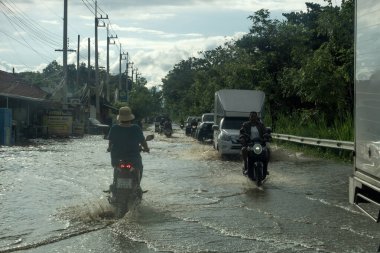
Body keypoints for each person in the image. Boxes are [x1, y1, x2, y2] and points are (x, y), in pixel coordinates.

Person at [107, 106, 150, 181]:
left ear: (120, 118)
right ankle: (137, 185)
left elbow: (110, 142)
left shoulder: (114, 128)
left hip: (117, 158)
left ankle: (115, 183)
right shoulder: (136, 128)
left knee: (116, 168)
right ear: (130, 118)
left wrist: (109, 148)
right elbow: (143, 141)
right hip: (133, 158)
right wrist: (146, 148)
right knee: (139, 168)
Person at [239, 111, 269, 175]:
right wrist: (242, 139)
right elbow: (242, 133)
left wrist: (267, 136)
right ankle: (246, 167)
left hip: (260, 144)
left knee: (267, 151)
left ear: (257, 117)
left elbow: (265, 131)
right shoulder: (245, 125)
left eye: (255, 116)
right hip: (250, 144)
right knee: (244, 149)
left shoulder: (261, 125)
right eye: (252, 116)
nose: (253, 118)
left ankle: (265, 169)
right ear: (249, 117)